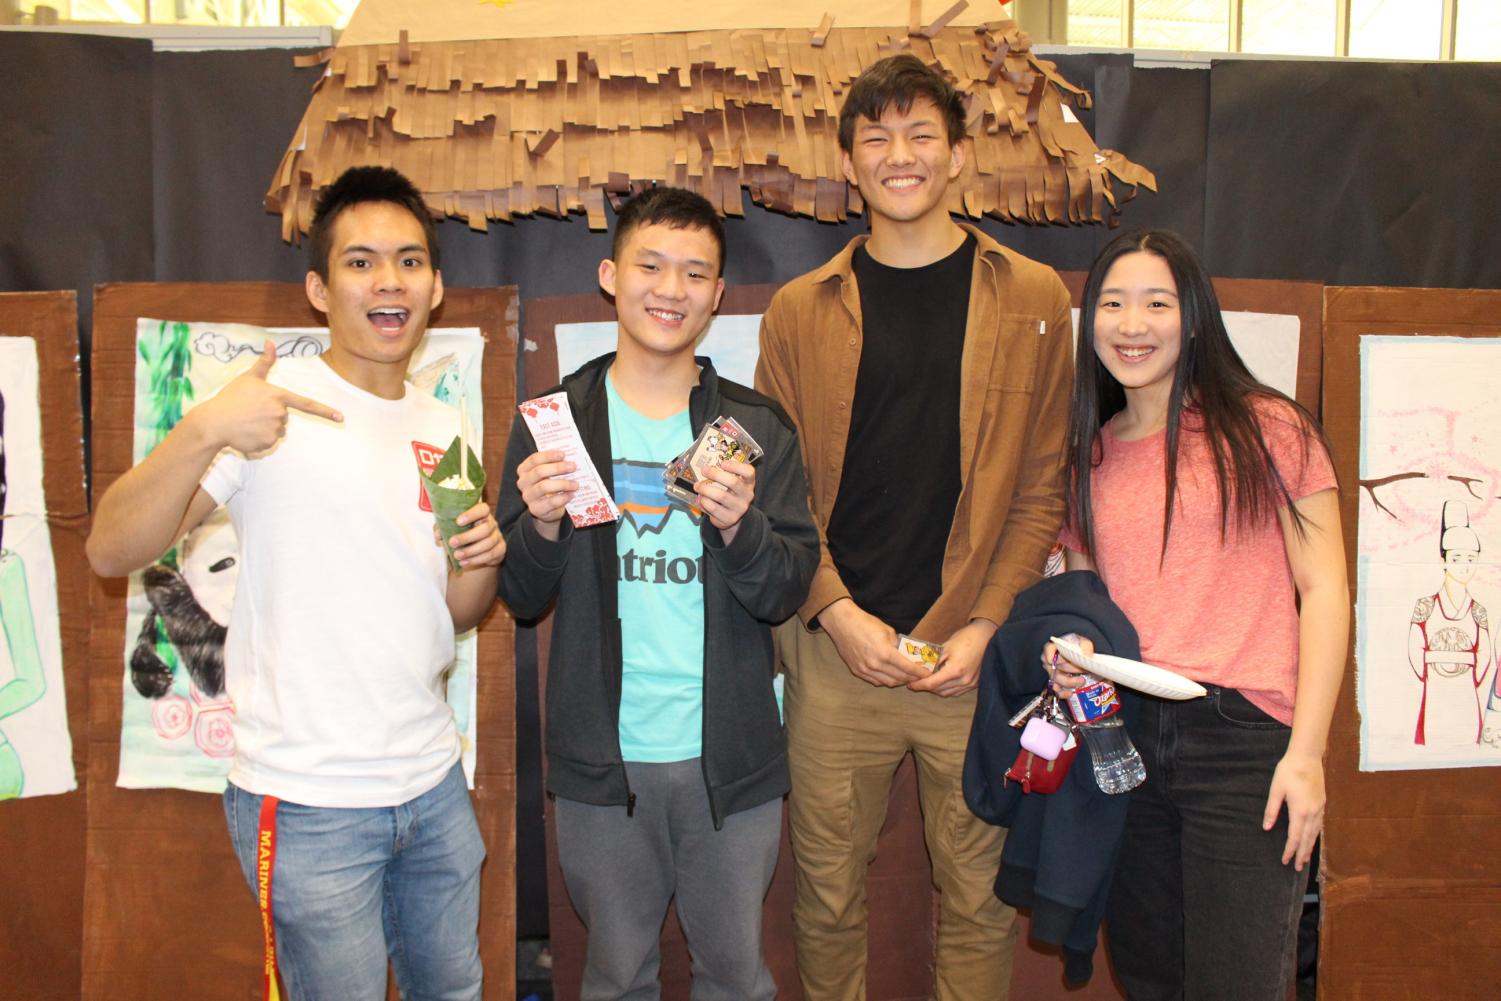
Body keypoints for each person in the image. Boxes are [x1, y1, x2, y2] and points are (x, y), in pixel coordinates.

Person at [86, 166, 504, 1001]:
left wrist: (482, 558)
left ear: (437, 287)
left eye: (409, 260)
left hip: (430, 789)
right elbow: (107, 547)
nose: (388, 279)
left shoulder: (441, 420)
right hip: (308, 800)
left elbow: (457, 611)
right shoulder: (265, 410)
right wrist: (203, 428)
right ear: (318, 288)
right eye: (360, 261)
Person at [755, 54, 1074, 1000]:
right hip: (832, 651)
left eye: (920, 135)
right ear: (849, 162)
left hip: (969, 658)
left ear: (960, 156)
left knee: (978, 900)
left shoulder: (1034, 299)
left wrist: (984, 628)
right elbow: (778, 499)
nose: (899, 156)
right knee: (823, 896)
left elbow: (1039, 490)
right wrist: (837, 617)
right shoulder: (796, 312)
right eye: (875, 139)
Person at [497, 186, 818, 1001]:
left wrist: (742, 527)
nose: (669, 288)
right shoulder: (555, 420)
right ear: (610, 274)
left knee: (737, 975)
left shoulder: (756, 428)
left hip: (730, 759)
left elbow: (785, 587)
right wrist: (536, 526)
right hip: (602, 763)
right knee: (613, 973)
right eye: (650, 264)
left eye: (693, 273)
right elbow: (519, 593)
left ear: (716, 296)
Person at [1046, 228, 1348, 1000]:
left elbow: (1324, 590)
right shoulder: (1090, 453)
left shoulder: (1267, 428)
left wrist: (1306, 753)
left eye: (1156, 302)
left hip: (1243, 743)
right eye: (1111, 303)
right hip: (1124, 740)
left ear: (1193, 317)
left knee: (1235, 982)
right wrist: (1069, 651)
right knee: (1150, 975)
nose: (1131, 324)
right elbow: (1086, 602)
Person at [1407, 499, 1492, 747]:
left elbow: (1485, 653)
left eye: (1470, 559)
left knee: (1467, 737)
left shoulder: (1478, 610)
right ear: (1443, 560)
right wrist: (1433, 670)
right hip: (1435, 685)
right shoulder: (1426, 605)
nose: (1464, 566)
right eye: (1456, 559)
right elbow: (1415, 649)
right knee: (1433, 735)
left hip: (1465, 689)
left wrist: (1468, 675)